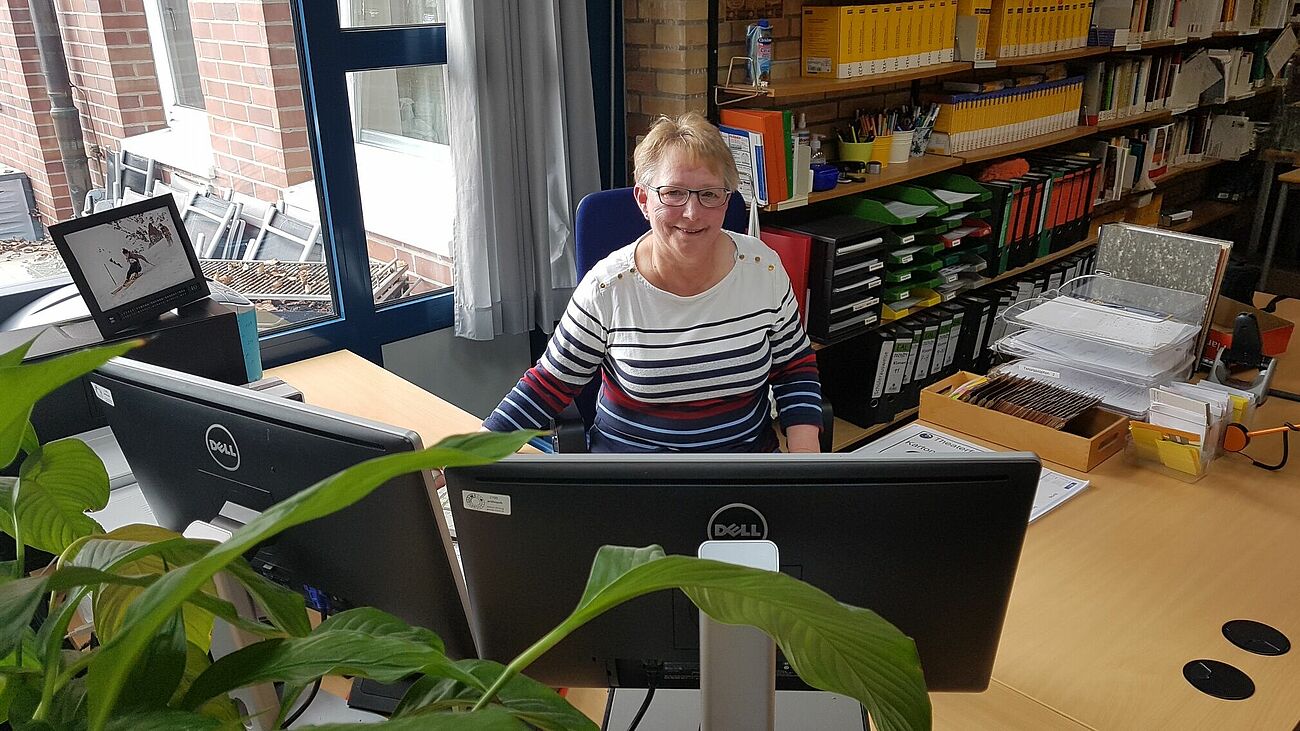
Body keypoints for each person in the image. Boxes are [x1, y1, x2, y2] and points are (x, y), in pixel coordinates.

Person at [482, 112, 823, 453]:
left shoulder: (762, 269)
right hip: (634, 480)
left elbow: (794, 365)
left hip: (744, 473)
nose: (692, 212)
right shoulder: (607, 288)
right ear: (644, 200)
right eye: (673, 193)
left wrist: (805, 460)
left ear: (727, 198)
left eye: (709, 194)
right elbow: (548, 384)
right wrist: (468, 453)